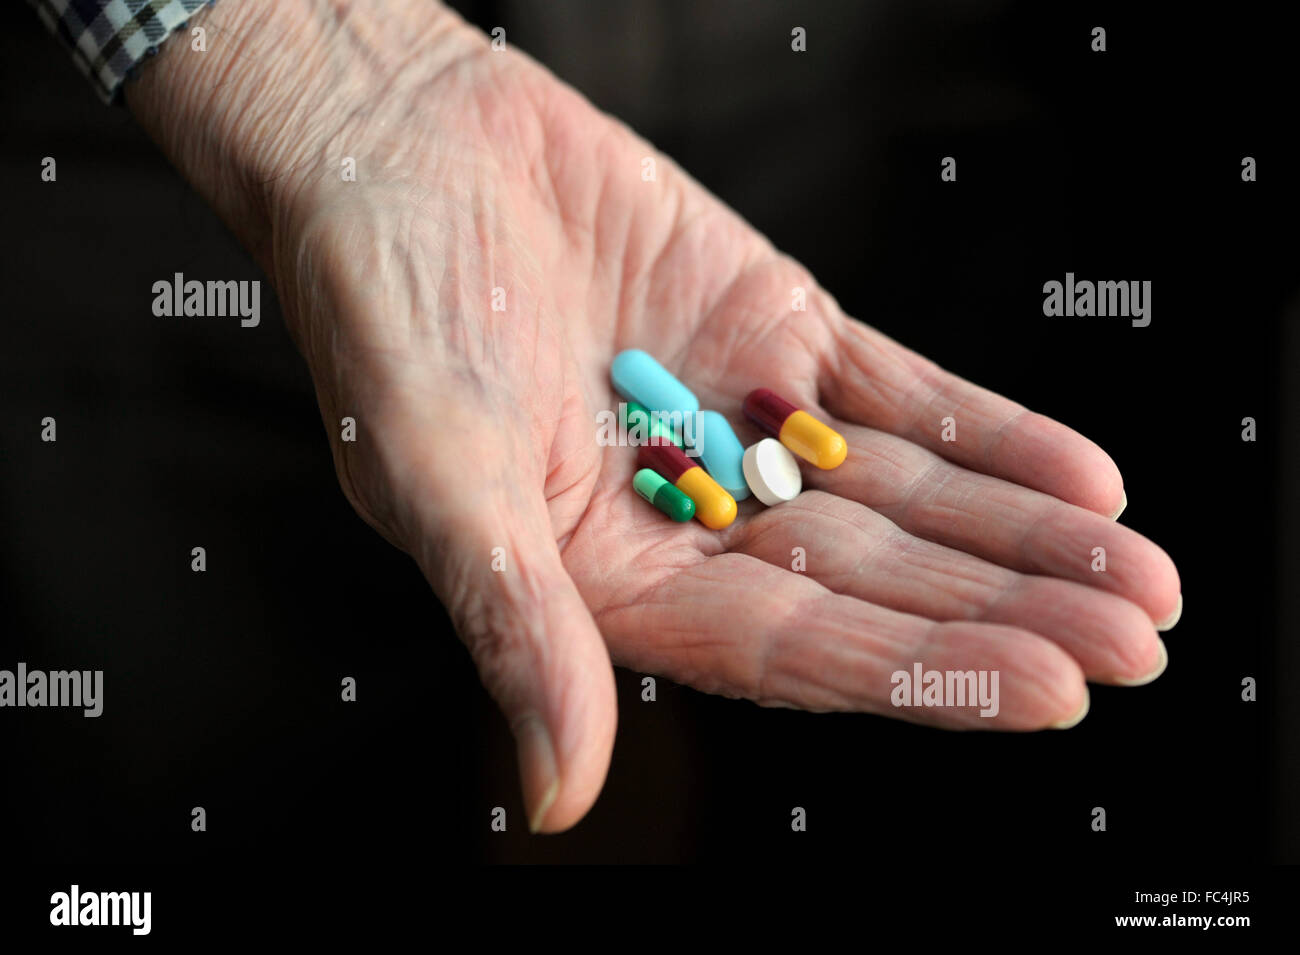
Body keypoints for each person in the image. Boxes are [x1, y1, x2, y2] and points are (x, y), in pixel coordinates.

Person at [32, 0, 1182, 834]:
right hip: (162, 138)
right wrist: (314, 61)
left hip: (858, 67)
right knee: (220, 734)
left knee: (881, 761)